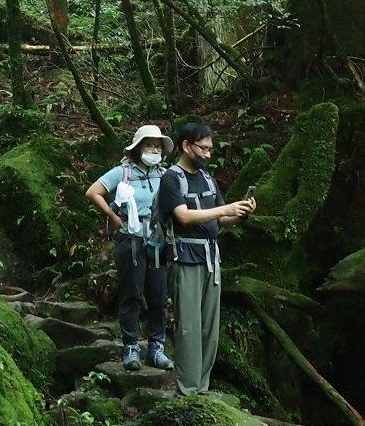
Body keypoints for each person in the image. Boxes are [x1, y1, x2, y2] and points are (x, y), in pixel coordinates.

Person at [156, 120, 254, 396]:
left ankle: (202, 387)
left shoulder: (208, 180)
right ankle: (186, 390)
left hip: (211, 258)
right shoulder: (171, 178)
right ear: (186, 146)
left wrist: (240, 212)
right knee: (188, 326)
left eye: (211, 149)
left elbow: (223, 221)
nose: (208, 154)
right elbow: (184, 216)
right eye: (204, 148)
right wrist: (225, 209)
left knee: (210, 326)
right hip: (185, 257)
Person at [85, 124, 173, 371]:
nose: (154, 150)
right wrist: (114, 217)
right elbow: (93, 192)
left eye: (157, 146)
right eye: (149, 145)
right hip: (130, 239)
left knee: (158, 296)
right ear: (138, 148)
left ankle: (156, 348)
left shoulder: (165, 175)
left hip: (157, 239)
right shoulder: (123, 172)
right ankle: (131, 347)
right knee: (132, 294)